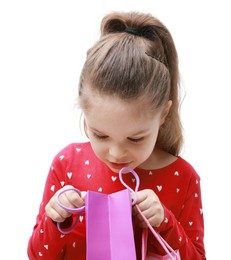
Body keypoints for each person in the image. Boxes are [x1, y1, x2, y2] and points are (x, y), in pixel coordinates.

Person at [27, 11, 206, 259]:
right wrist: (56, 217)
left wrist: (166, 223)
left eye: (135, 138)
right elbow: (37, 255)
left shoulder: (183, 179)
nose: (116, 153)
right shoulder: (67, 165)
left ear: (163, 113)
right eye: (100, 135)